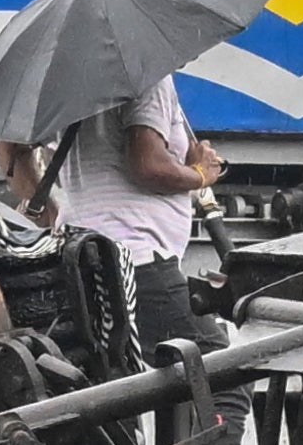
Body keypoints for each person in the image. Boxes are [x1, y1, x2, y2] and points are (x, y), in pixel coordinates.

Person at [43, 75, 223, 342]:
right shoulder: (149, 77)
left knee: (126, 370)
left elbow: (9, 148)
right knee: (219, 360)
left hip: (83, 254)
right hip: (138, 258)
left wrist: (49, 211)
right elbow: (147, 165)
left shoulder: (73, 81)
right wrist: (199, 174)